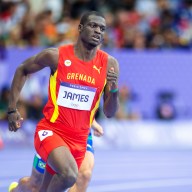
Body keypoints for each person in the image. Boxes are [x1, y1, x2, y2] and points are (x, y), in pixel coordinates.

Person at [8, 11, 119, 192]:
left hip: (79, 140)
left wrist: (113, 90)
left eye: (102, 28)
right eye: (93, 26)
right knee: (68, 175)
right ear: (80, 28)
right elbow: (23, 69)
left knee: (42, 188)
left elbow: (110, 112)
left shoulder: (109, 64)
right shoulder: (57, 56)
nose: (98, 31)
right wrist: (12, 109)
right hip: (51, 131)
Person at [9, 119, 103, 192]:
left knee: (84, 175)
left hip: (82, 131)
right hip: (56, 130)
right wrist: (12, 109)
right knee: (35, 186)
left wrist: (93, 121)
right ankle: (15, 190)